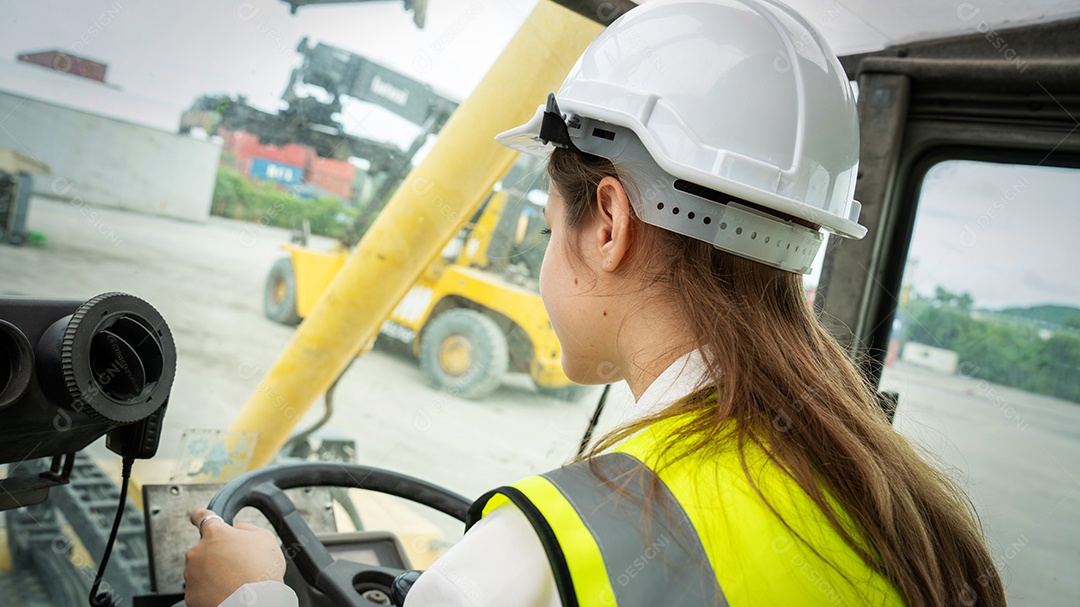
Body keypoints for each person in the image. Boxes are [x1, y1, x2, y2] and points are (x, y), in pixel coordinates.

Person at [184, 1, 1007, 605]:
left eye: (547, 225)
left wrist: (244, 596)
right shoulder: (899, 509)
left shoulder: (545, 557)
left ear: (609, 221)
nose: (543, 253)